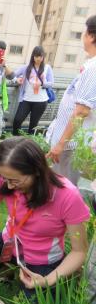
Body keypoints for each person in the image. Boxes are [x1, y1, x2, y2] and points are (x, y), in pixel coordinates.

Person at [0, 137, 89, 304]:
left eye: (15, 181)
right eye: (4, 178)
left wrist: (47, 280)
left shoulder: (67, 195)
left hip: (40, 259)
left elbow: (79, 252)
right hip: (10, 243)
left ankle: (41, 281)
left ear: (36, 171)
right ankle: (4, 268)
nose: (8, 186)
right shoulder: (7, 181)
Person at [47, 15, 96, 185]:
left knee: (64, 190)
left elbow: (82, 111)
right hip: (70, 143)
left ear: (91, 36)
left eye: (84, 32)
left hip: (71, 146)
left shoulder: (93, 68)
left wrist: (61, 144)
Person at [12, 46, 54, 135]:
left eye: (40, 56)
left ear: (43, 57)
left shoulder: (47, 68)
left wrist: (42, 83)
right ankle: (16, 141)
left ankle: (29, 145)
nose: (38, 59)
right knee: (17, 120)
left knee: (33, 125)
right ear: (33, 56)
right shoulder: (26, 68)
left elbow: (51, 83)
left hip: (41, 101)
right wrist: (17, 80)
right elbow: (12, 75)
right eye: (36, 56)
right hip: (26, 99)